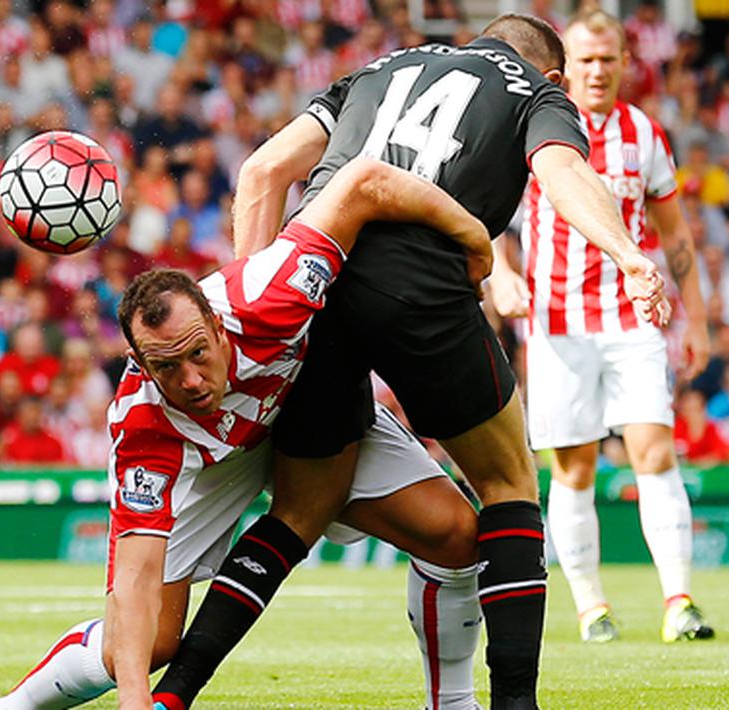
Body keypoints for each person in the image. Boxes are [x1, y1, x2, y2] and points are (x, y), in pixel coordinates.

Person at [153, 14, 669, 710]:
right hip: (420, 287)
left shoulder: (377, 67)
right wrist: (629, 255)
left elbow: (262, 171)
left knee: (300, 511)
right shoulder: (536, 94)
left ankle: (174, 694)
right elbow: (564, 171)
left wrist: (258, 309)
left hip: (315, 284)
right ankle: (514, 702)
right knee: (508, 483)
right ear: (553, 75)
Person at [0, 158, 493, 710]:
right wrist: (133, 700)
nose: (192, 380)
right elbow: (135, 574)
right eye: (166, 368)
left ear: (218, 324)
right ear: (138, 363)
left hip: (307, 417)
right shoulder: (143, 423)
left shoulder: (270, 292)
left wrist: (474, 236)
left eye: (198, 353)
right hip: (210, 462)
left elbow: (366, 182)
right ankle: (17, 706)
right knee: (148, 642)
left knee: (457, 534)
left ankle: (453, 703)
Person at [488, 9, 714, 644]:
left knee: (655, 450)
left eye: (606, 59)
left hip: (631, 317)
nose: (596, 70)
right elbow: (489, 217)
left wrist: (696, 318)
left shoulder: (643, 133)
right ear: (565, 68)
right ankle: (592, 608)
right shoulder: (532, 127)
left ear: (623, 63)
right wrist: (499, 276)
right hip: (556, 323)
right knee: (575, 468)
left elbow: (675, 235)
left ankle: (680, 601)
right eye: (584, 60)